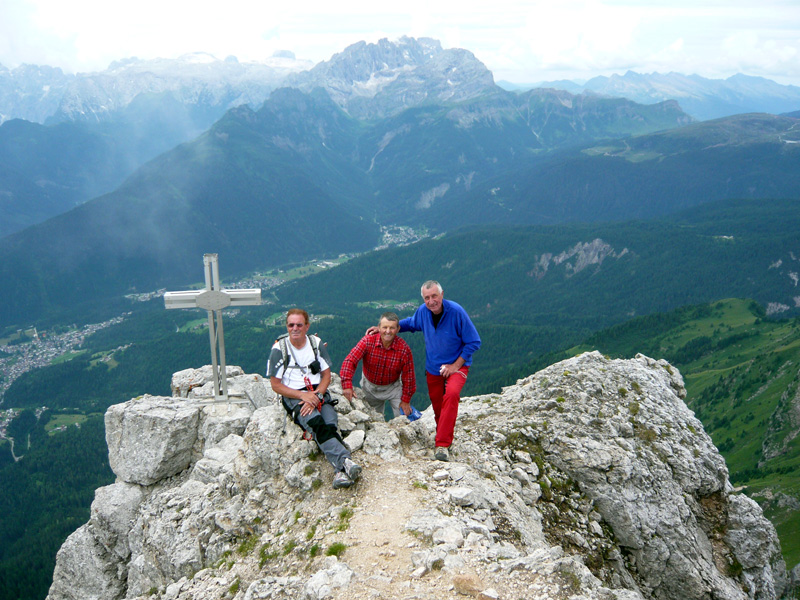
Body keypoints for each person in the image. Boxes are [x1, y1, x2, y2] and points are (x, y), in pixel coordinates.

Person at [371, 281, 480, 462]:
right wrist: (387, 329)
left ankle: (443, 445)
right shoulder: (423, 311)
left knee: (451, 394)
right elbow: (411, 323)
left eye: (434, 296)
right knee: (438, 405)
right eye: (427, 298)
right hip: (434, 368)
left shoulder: (456, 312)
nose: (431, 301)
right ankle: (442, 435)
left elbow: (474, 341)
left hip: (458, 365)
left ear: (442, 294)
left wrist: (455, 366)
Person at [267, 308, 362, 489]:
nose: (295, 328)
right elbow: (276, 385)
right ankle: (345, 461)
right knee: (317, 423)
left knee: (331, 423)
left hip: (318, 391)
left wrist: (317, 396)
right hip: (295, 396)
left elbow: (327, 375)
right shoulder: (279, 350)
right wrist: (304, 396)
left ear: (307, 326)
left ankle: (340, 473)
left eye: (299, 325)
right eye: (291, 325)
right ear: (286, 326)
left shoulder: (315, 344)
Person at [340, 312, 416, 420]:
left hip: (393, 387)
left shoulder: (404, 349)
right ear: (379, 328)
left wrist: (406, 400)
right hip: (370, 387)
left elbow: (409, 377)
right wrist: (347, 385)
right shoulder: (367, 341)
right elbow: (350, 361)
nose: (388, 331)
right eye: (385, 327)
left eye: (392, 328)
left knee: (404, 418)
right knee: (374, 421)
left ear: (398, 329)